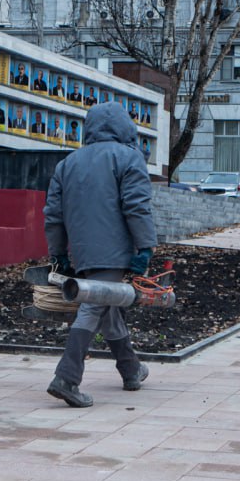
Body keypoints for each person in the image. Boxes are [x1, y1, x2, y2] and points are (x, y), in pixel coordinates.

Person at [44, 102, 156, 408]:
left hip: (82, 252)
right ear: (124, 126)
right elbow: (137, 206)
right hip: (115, 251)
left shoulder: (67, 163)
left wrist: (59, 254)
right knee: (95, 306)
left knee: (109, 308)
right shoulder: (128, 157)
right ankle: (66, 379)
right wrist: (145, 247)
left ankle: (131, 369)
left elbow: (53, 215)